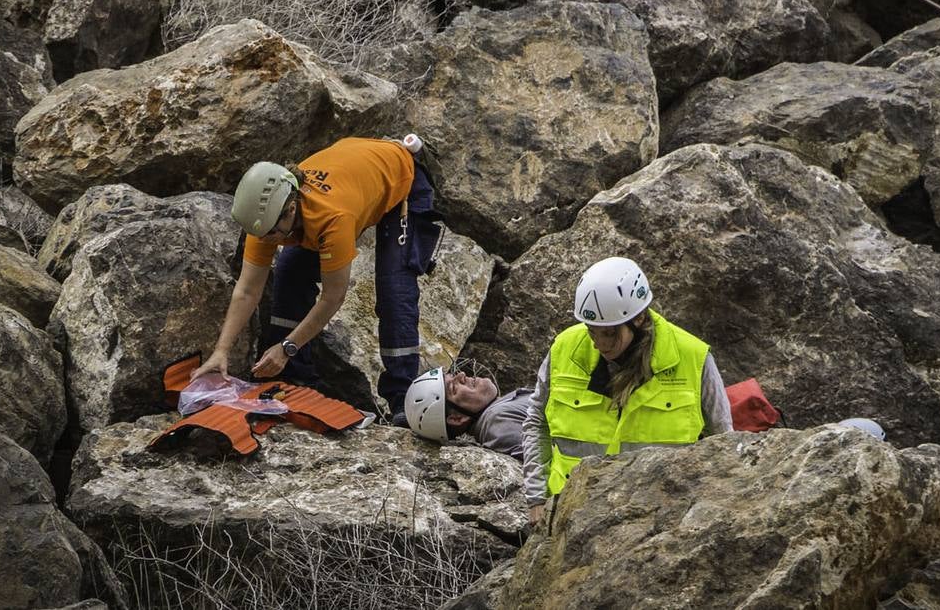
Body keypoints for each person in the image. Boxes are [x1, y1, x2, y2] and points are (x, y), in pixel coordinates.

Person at [192, 136, 441, 418]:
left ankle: (404, 399)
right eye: (261, 235)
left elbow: (333, 297)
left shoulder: (333, 219)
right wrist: (221, 350)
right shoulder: (265, 220)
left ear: (291, 209)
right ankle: (295, 378)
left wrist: (287, 348)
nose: (267, 240)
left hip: (402, 179)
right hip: (356, 170)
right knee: (290, 271)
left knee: (394, 293)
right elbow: (247, 290)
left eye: (273, 234)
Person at [521, 257, 733, 525]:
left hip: (659, 521)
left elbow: (723, 441)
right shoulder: (565, 349)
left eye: (609, 333)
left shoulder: (693, 358)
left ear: (639, 318)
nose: (599, 343)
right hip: (570, 515)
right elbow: (536, 423)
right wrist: (536, 500)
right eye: (591, 331)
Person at [404, 362, 534, 460]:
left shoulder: (497, 410)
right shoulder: (497, 423)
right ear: (457, 419)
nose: (462, 375)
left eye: (453, 376)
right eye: (454, 387)